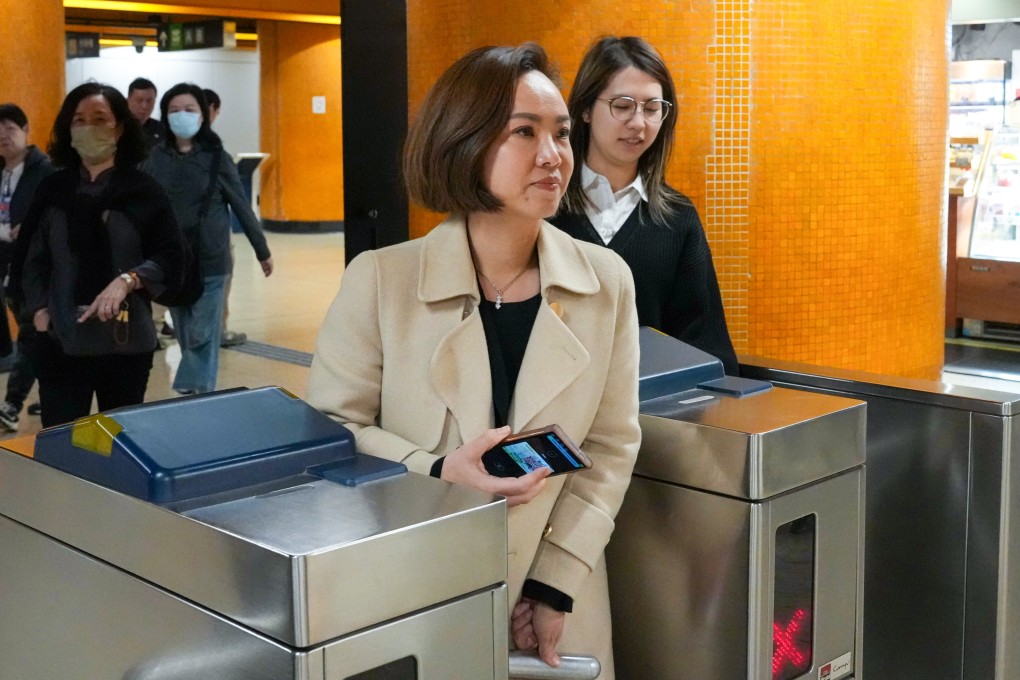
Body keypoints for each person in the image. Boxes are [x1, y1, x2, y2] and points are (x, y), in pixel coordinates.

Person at [306, 44, 640, 678]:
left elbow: (612, 445)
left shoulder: (605, 282)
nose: (553, 155)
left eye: (562, 133)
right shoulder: (382, 281)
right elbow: (329, 431)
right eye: (524, 132)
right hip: (416, 590)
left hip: (555, 601)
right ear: (463, 142)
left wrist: (553, 584)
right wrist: (435, 469)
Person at [551, 36, 738, 374]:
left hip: (647, 413)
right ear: (585, 109)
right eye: (622, 106)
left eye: (652, 109)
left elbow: (705, 346)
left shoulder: (678, 220)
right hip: (549, 409)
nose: (638, 123)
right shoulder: (544, 208)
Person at [13, 83, 186, 427]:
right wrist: (37, 313)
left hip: (125, 345)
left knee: (119, 448)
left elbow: (172, 255)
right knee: (63, 448)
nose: (89, 127)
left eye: (99, 118)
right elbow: (29, 261)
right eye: (79, 120)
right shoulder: (53, 189)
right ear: (68, 128)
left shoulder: (143, 191)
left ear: (119, 128)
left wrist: (129, 279)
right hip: (61, 342)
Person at [144, 83, 273, 394]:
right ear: (165, 116)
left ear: (203, 116)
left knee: (203, 333)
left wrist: (262, 249)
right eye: (174, 110)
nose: (181, 116)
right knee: (187, 332)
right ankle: (199, 393)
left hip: (212, 260)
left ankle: (194, 395)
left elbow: (241, 205)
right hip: (172, 261)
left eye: (189, 109)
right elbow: (142, 206)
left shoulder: (217, 158)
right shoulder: (155, 160)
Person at [0, 104, 55, 431]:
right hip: (5, 261)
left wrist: (33, 226)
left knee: (33, 332)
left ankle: (11, 403)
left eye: (10, 129)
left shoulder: (44, 170)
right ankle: (49, 394)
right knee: (37, 336)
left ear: (26, 131)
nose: (4, 137)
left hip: (35, 266)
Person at [201, 86, 247, 348]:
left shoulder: (213, 149)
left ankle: (217, 329)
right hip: (211, 231)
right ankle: (218, 329)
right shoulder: (211, 150)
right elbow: (238, 200)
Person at [127, 77, 162, 149]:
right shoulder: (117, 127)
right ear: (128, 101)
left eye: (149, 101)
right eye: (139, 100)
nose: (144, 106)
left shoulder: (161, 129)